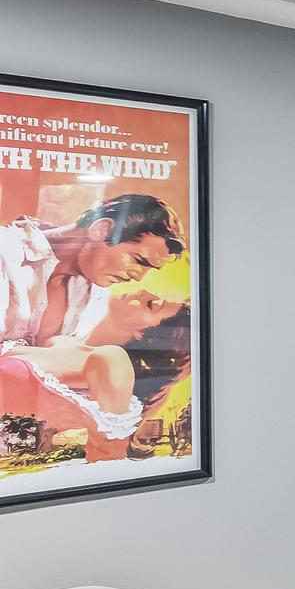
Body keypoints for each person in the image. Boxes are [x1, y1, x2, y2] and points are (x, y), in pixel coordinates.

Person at [0, 263, 188, 462]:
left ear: (144, 337)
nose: (145, 291)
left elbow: (107, 456)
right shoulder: (61, 340)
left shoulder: (110, 361)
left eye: (152, 305)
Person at [0, 194, 186, 347]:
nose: (138, 277)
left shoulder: (95, 300)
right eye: (138, 260)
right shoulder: (6, 251)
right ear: (102, 230)